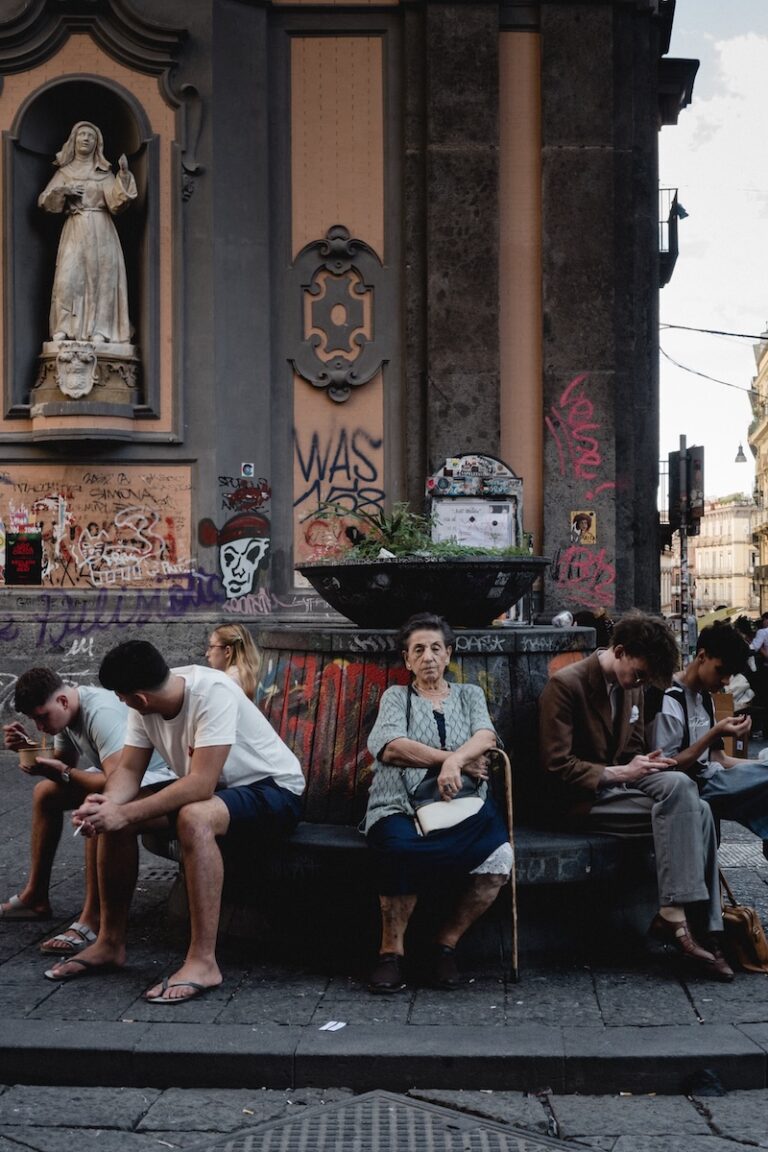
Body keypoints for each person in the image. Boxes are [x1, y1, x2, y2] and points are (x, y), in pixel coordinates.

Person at [44, 641, 305, 1002]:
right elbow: (129, 771)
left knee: (193, 817)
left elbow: (201, 784)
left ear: (138, 697)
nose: (121, 703)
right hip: (218, 790)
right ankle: (110, 942)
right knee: (119, 817)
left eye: (123, 698)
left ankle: (203, 962)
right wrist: (108, 804)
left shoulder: (212, 692)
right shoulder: (146, 701)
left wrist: (125, 811)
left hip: (273, 790)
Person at [539, 611, 732, 981]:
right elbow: (555, 766)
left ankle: (693, 923)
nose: (639, 682)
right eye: (639, 673)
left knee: (693, 799)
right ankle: (690, 923)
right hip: (581, 797)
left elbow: (635, 750)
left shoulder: (634, 687)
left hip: (622, 787)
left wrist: (645, 763)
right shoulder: (566, 686)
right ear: (621, 651)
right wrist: (620, 773)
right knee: (693, 807)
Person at [363, 613, 512, 994]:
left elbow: (486, 736)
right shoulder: (396, 697)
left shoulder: (469, 695)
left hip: (465, 804)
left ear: (448, 654)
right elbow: (390, 746)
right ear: (407, 659)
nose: (427, 656)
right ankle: (390, 953)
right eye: (418, 650)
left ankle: (444, 946)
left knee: (498, 858)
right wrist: (450, 758)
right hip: (398, 804)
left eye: (435, 648)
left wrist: (454, 763)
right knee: (397, 849)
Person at [1, 668, 171, 956]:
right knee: (46, 794)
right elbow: (64, 766)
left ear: (63, 702)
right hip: (124, 776)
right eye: (34, 720)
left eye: (42, 717)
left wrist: (63, 771)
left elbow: (115, 779)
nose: (40, 726)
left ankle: (91, 919)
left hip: (158, 777)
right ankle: (35, 897)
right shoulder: (67, 714)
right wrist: (29, 751)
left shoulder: (99, 713)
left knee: (98, 802)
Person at [651, 624, 768, 844]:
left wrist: (757, 766)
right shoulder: (670, 698)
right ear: (702, 656)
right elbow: (666, 767)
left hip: (713, 778)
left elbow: (718, 759)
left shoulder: (705, 697)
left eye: (729, 675)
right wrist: (714, 733)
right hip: (691, 784)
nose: (725, 681)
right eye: (721, 671)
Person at [38, 121, 137, 344]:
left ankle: (101, 330)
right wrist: (64, 191)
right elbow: (45, 201)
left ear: (97, 143)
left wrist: (123, 176)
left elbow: (116, 204)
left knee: (103, 279)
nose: (85, 138)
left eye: (90, 136)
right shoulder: (65, 172)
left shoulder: (103, 173)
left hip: (102, 229)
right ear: (74, 140)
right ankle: (64, 327)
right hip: (75, 226)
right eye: (81, 134)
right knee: (68, 278)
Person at [205, 623, 261, 700]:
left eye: (211, 647)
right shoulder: (256, 676)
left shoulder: (225, 683)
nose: (207, 654)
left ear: (227, 651)